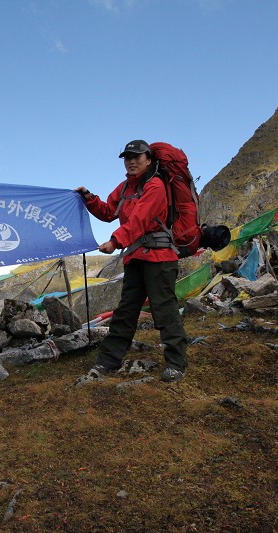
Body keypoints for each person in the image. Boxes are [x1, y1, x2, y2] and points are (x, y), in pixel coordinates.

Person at [76, 139, 188, 383]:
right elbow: (108, 212)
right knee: (126, 311)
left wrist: (115, 241)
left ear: (148, 159)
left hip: (160, 257)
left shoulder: (156, 185)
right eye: (127, 158)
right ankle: (108, 360)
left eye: (137, 157)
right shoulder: (124, 188)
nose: (131, 161)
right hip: (136, 258)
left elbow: (140, 219)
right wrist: (88, 197)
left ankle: (176, 363)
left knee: (164, 309)